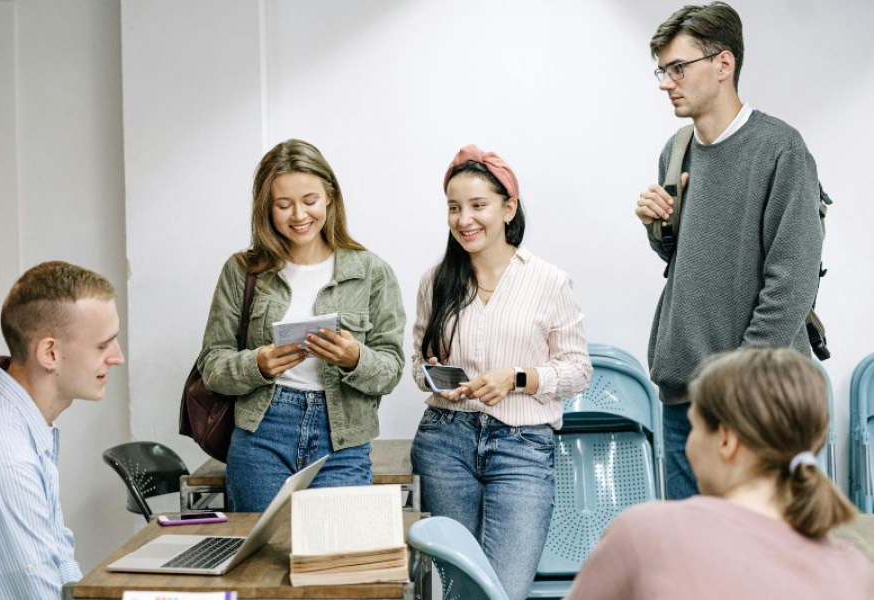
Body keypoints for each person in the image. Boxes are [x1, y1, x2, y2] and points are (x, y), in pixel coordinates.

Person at [634, 2, 824, 499]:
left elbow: (793, 282)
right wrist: (658, 228)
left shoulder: (780, 149)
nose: (666, 83)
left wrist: (736, 383)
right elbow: (689, 261)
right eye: (662, 70)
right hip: (683, 397)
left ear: (723, 63)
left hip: (757, 399)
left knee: (763, 543)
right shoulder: (675, 151)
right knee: (690, 544)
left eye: (678, 68)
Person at [411, 144, 592, 600]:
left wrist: (516, 377)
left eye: (478, 205)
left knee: (503, 591)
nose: (464, 219)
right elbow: (418, 363)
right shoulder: (436, 281)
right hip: (444, 442)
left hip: (523, 448)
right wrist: (433, 375)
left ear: (508, 208)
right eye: (454, 207)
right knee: (459, 591)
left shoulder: (549, 281)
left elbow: (578, 370)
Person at [566, 348, 874, 600]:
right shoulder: (854, 570)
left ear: (725, 440)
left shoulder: (645, 533)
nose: (688, 445)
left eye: (695, 428)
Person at [198, 138, 406, 512]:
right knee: (261, 548)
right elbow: (212, 365)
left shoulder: (371, 272)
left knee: (336, 547)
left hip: (343, 439)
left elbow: (391, 370)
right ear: (266, 208)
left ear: (330, 197)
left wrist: (354, 358)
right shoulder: (243, 271)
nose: (298, 215)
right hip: (262, 434)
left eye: (309, 200)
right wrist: (258, 365)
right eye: (283, 205)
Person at [0, 261, 125, 599]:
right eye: (102, 346)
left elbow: (56, 552)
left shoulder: (9, 398)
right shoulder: (6, 460)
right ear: (50, 353)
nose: (118, 357)